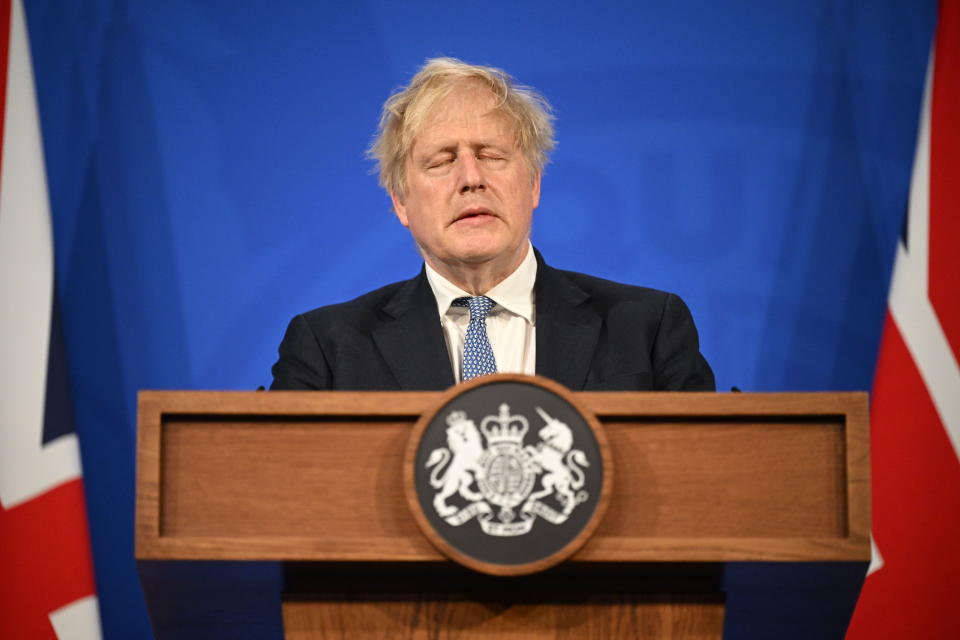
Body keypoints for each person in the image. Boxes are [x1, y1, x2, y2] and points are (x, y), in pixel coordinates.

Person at [270, 58, 714, 392]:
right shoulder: (328, 348)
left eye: (490, 155)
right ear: (401, 203)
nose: (471, 178)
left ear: (534, 185)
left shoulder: (646, 327)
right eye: (441, 162)